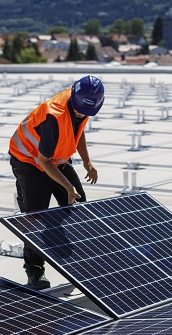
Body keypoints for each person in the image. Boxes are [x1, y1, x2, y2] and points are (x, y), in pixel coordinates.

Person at [9, 75, 105, 289]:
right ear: (74, 98)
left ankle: (79, 262)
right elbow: (44, 160)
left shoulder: (84, 106)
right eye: (80, 110)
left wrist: (87, 162)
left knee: (78, 206)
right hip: (29, 161)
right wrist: (67, 187)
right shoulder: (55, 115)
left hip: (57, 158)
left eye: (87, 112)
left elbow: (77, 132)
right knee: (34, 217)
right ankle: (35, 271)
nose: (82, 114)